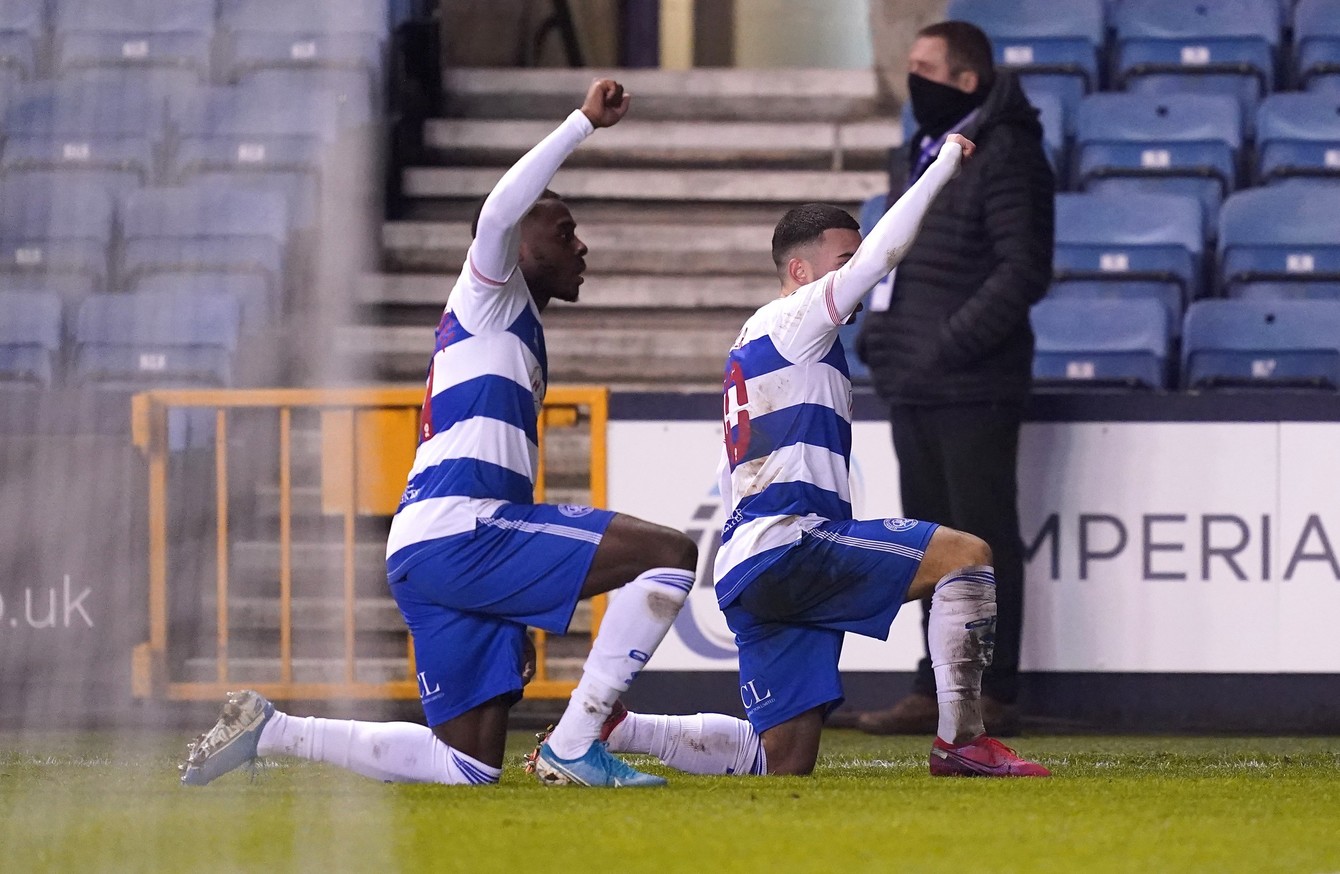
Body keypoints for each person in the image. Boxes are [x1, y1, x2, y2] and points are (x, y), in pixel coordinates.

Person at [178, 79, 698, 790]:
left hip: (429, 543)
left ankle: (274, 730)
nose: (582, 247)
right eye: (565, 231)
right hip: (465, 530)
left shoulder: (514, 326)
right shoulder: (487, 293)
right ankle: (577, 741)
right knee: (667, 555)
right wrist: (580, 122)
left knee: (467, 765)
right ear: (517, 244)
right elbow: (497, 210)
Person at [533, 135, 1048, 778]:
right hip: (794, 543)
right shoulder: (800, 316)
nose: (858, 269)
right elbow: (886, 254)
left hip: (751, 566)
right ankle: (962, 742)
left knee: (783, 761)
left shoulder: (757, 340)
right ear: (801, 272)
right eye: (843, 259)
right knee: (966, 558)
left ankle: (620, 725)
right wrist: (942, 166)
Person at [847, 20, 1055, 737]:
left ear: (966, 81)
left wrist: (946, 343)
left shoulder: (1008, 155)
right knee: (931, 543)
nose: (913, 78)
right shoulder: (928, 147)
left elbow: (1022, 270)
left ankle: (990, 690)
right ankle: (934, 687)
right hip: (916, 383)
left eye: (925, 67)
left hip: (973, 384)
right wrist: (883, 335)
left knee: (982, 536)